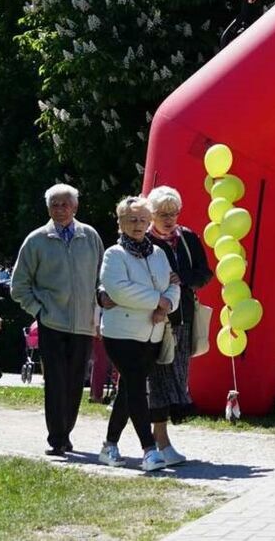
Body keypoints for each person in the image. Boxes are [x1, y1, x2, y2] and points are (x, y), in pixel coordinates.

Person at [10, 183, 105, 456]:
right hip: (51, 323)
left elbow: (102, 277)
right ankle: (57, 438)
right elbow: (18, 286)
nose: (60, 209)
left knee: (75, 382)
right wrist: (39, 311)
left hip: (83, 324)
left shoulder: (90, 236)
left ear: (75, 207)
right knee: (55, 381)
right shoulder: (36, 240)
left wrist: (99, 307)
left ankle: (66, 433)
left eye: (65, 204)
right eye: (55, 204)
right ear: (48, 208)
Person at [98, 196, 181, 471]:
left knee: (128, 390)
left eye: (143, 220)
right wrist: (158, 300)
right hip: (121, 334)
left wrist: (166, 304)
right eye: (132, 219)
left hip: (152, 334)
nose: (138, 224)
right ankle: (149, 450)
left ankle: (109, 445)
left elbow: (174, 285)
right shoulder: (114, 254)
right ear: (120, 222)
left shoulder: (158, 253)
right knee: (135, 387)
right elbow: (119, 290)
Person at [144, 186, 213, 466]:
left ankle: (158, 438)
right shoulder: (144, 241)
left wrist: (182, 278)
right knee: (158, 379)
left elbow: (204, 273)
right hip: (154, 320)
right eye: (162, 213)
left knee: (178, 378)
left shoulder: (188, 238)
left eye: (173, 213)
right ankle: (160, 441)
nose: (169, 219)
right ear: (151, 214)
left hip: (183, 319)